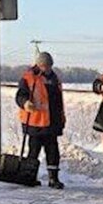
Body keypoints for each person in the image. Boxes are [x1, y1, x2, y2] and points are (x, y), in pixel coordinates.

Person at [15, 52, 66, 189]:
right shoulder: (29, 77)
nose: (47, 68)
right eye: (44, 65)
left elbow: (58, 102)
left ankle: (53, 179)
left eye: (49, 65)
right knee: (34, 151)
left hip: (52, 122)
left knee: (53, 152)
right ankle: (29, 177)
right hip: (35, 122)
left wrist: (61, 119)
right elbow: (20, 95)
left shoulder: (55, 78)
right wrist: (25, 103)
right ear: (38, 64)